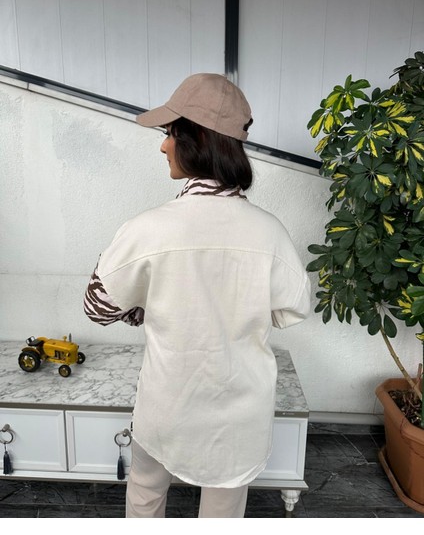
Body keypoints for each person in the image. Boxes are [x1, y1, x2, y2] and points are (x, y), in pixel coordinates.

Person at [84, 73, 311, 518]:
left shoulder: (148, 228)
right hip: (240, 414)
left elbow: (97, 307)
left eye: (170, 133)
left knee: (145, 498)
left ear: (197, 141)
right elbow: (290, 310)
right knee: (223, 512)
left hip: (167, 405)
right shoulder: (271, 234)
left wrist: (146, 305)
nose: (163, 146)